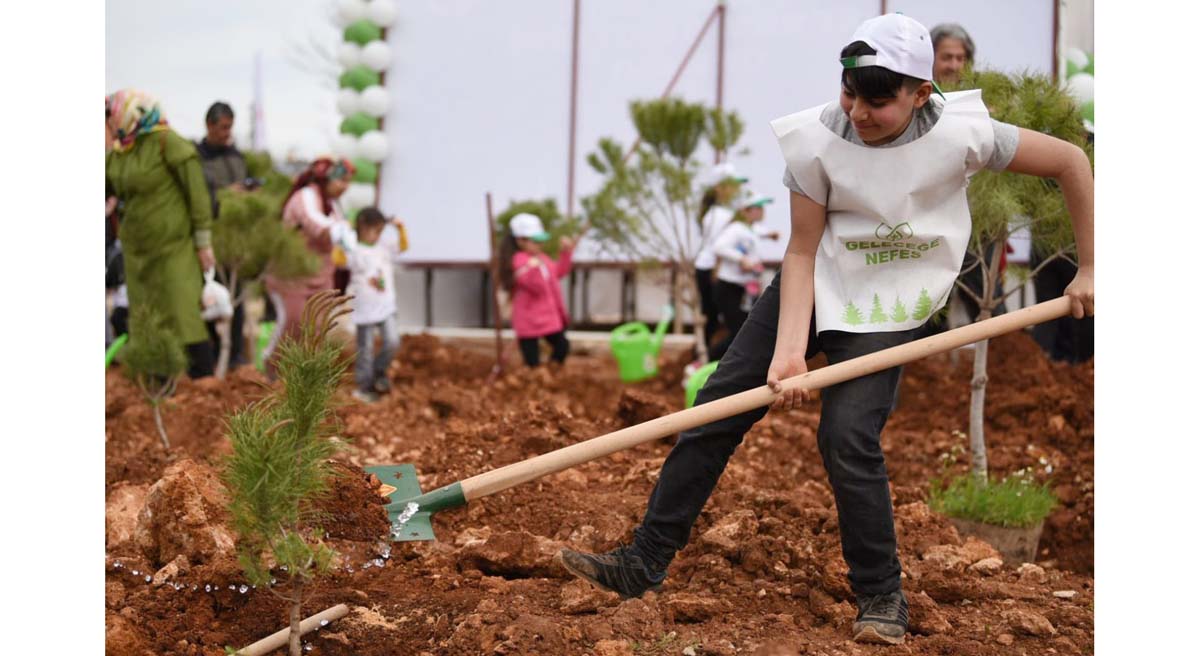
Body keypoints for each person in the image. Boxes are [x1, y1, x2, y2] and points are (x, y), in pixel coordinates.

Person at [558, 13, 1094, 647]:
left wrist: (1091, 265)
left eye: (878, 100)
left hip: (892, 298)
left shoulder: (965, 134)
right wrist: (788, 352)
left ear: (921, 93)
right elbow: (802, 251)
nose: (858, 112)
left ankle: (881, 596)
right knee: (715, 410)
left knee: (847, 434)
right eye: (849, 92)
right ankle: (642, 563)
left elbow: (1071, 160)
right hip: (817, 281)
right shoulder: (817, 141)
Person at [105, 89, 217, 378]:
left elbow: (198, 196)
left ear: (132, 112)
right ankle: (159, 395)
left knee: (184, 318)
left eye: (112, 114)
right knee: (147, 323)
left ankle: (205, 388)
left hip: (173, 252)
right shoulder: (121, 150)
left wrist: (203, 243)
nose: (111, 121)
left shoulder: (168, 142)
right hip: (138, 257)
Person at [262, 157, 356, 376]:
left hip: (321, 275)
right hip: (292, 275)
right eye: (342, 180)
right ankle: (272, 370)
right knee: (293, 321)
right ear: (327, 178)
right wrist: (338, 230)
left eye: (348, 182)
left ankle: (305, 377)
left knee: (319, 327)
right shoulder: (305, 196)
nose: (345, 187)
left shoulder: (333, 205)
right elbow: (315, 223)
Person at [195, 101, 252, 368]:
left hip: (236, 240)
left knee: (235, 298)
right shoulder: (197, 158)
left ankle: (235, 356)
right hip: (210, 239)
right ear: (209, 125)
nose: (227, 132)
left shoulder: (236, 156)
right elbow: (198, 198)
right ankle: (213, 354)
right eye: (223, 127)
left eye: (230, 126)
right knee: (209, 298)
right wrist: (227, 194)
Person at [344, 207, 408, 402]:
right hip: (364, 309)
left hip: (386, 306)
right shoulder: (354, 250)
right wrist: (342, 236)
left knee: (392, 341)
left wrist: (400, 228)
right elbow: (339, 260)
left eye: (380, 231)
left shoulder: (384, 248)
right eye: (373, 230)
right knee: (365, 349)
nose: (376, 235)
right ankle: (364, 385)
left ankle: (379, 372)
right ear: (362, 228)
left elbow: (403, 246)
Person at [498, 213, 575, 367]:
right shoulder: (520, 261)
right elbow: (535, 286)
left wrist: (566, 253)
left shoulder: (542, 259)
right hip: (528, 322)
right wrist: (532, 268)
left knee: (562, 346)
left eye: (541, 241)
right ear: (520, 241)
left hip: (548, 319)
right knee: (532, 362)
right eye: (535, 241)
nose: (540, 245)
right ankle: (536, 380)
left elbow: (558, 272)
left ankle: (550, 374)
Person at [707, 190, 773, 361]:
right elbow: (718, 247)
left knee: (745, 331)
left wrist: (770, 235)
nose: (761, 211)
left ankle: (719, 363)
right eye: (757, 207)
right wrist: (741, 259)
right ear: (746, 210)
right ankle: (709, 359)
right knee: (738, 333)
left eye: (762, 207)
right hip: (728, 288)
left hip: (744, 289)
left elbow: (758, 233)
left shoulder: (751, 230)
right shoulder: (736, 229)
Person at [693, 163, 747, 353]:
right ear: (719, 188)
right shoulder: (719, 214)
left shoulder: (718, 213)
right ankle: (707, 357)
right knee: (718, 320)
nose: (736, 189)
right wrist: (718, 275)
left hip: (710, 270)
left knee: (716, 319)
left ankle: (706, 356)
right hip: (711, 271)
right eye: (732, 185)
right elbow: (718, 248)